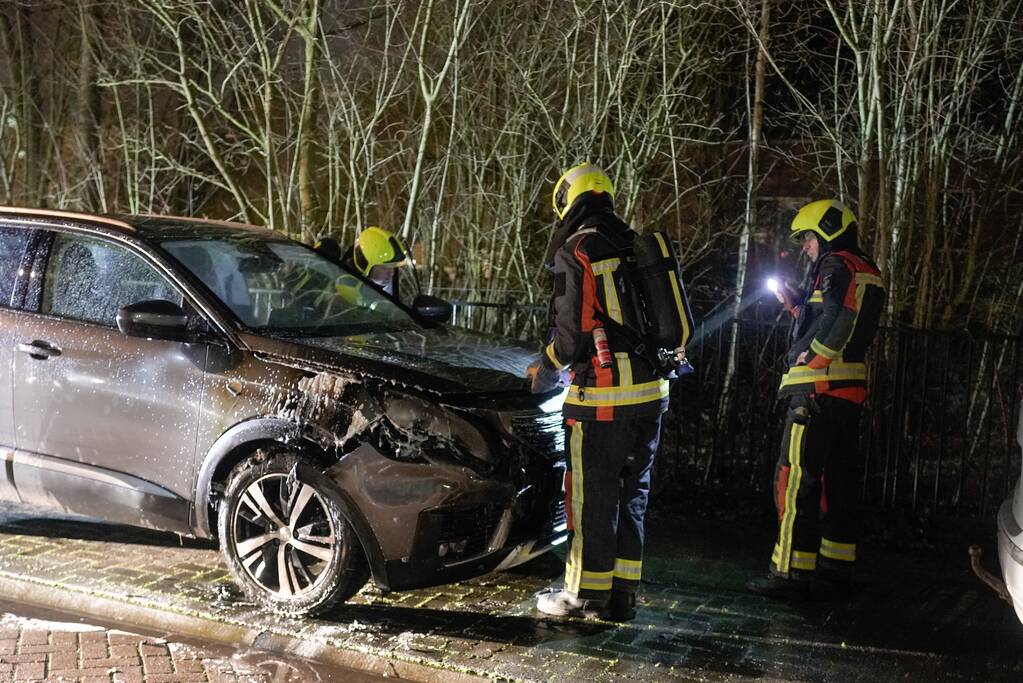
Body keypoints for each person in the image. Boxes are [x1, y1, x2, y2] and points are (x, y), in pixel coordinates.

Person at [529, 163, 692, 621]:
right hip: (651, 395)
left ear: (567, 200)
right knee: (631, 497)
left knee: (590, 497)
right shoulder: (634, 245)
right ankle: (623, 597)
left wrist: (545, 368)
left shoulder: (578, 248)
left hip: (602, 399)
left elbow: (572, 336)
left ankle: (581, 595)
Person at [747, 199, 886, 600]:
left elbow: (839, 319)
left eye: (808, 237)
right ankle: (835, 567)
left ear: (825, 231)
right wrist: (796, 307)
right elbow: (839, 316)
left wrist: (814, 356)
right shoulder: (867, 269)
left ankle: (789, 573)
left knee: (795, 480)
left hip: (817, 391)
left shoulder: (835, 264)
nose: (806, 246)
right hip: (849, 392)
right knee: (836, 483)